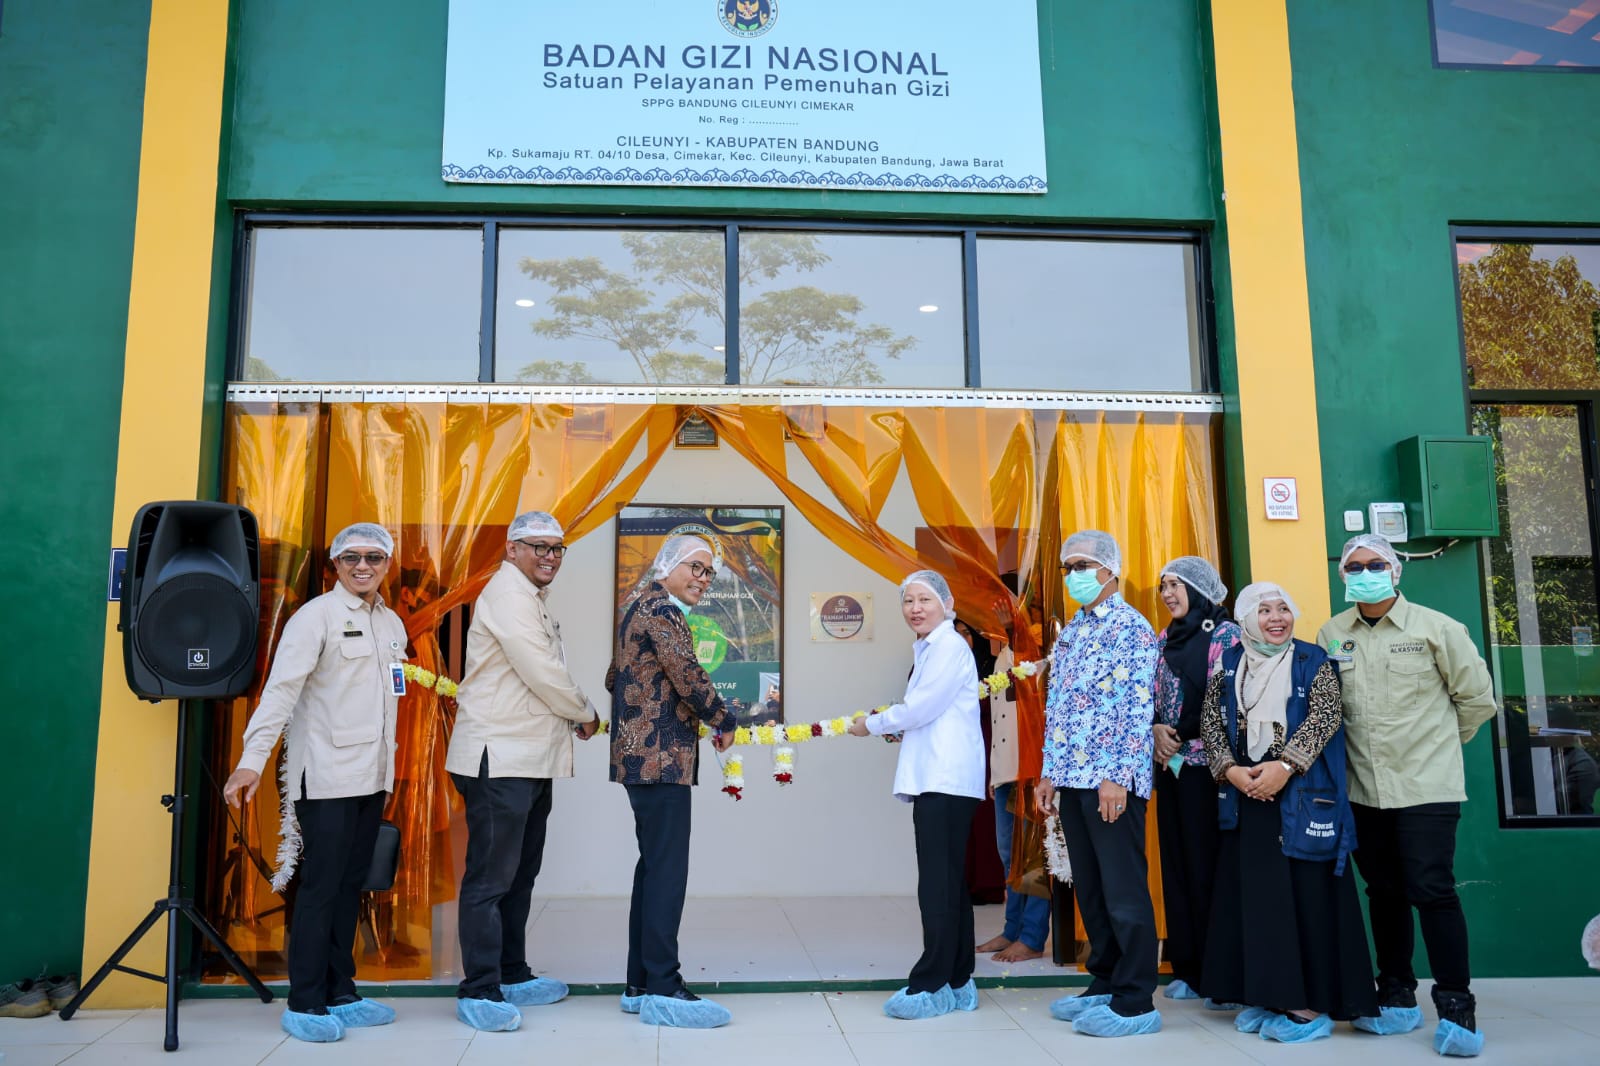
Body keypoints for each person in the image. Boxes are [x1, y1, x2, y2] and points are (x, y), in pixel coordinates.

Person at [222, 523, 408, 1043]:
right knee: (320, 889)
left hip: (372, 777)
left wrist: (389, 772)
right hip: (326, 776)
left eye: (374, 557)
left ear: (387, 564)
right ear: (335, 565)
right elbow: (280, 693)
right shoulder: (314, 618)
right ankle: (305, 1001)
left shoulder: (392, 622)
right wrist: (252, 760)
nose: (363, 566)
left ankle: (341, 992)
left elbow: (391, 698)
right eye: (352, 558)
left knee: (351, 887)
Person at [1317, 534, 1497, 1057]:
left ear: (1396, 572)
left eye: (1375, 564)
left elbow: (1477, 700)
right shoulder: (1332, 634)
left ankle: (1457, 1006)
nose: (1364, 573)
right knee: (1383, 892)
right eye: (1354, 566)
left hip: (1425, 786)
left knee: (1432, 890)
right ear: (1343, 576)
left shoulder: (1438, 629)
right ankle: (1396, 994)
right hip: (1362, 789)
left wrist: (1434, 746)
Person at [1198, 581, 1377, 1042]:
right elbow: (1211, 721)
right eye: (1264, 610)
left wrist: (1284, 767)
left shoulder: (1312, 660)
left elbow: (1325, 716)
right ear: (1246, 619)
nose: (1276, 618)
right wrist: (1230, 771)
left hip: (1300, 797)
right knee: (1262, 901)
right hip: (1248, 796)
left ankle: (1310, 1003)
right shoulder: (1229, 662)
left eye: (1283, 609)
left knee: (1306, 898)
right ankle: (1273, 995)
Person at [444, 511, 600, 1032]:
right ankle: (480, 989)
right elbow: (542, 671)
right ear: (511, 549)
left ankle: (511, 973)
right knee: (491, 879)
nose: (550, 556)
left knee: (519, 875)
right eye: (539, 546)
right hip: (500, 759)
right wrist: (584, 711)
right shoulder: (508, 595)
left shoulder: (530, 597)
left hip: (529, 758)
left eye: (557, 548)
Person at [606, 534, 740, 1028]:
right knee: (666, 874)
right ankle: (664, 986)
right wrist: (723, 718)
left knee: (653, 870)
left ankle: (639, 984)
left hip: (639, 759)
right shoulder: (664, 610)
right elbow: (687, 674)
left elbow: (614, 676)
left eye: (709, 572)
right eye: (695, 568)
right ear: (668, 565)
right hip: (660, 758)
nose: (703, 579)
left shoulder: (637, 607)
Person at [1035, 530, 1162, 1038]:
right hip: (1072, 778)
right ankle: (1105, 981)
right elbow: (1060, 705)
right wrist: (1050, 771)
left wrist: (1116, 776)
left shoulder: (1132, 628)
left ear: (1110, 569)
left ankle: (1136, 999)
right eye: (1068, 568)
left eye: (1083, 566)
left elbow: (1137, 708)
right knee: (1090, 887)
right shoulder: (1073, 630)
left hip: (1112, 781)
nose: (1074, 576)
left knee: (1123, 889)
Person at [847, 571, 987, 1019]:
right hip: (940, 778)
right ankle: (958, 980)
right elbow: (928, 713)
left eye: (924, 599)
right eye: (908, 601)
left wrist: (872, 724)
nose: (915, 608)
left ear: (947, 603)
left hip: (944, 779)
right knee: (948, 882)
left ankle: (931, 982)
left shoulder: (947, 647)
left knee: (938, 885)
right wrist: (893, 724)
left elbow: (921, 708)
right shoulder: (932, 648)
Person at [1151, 556, 1240, 1003]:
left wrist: (1180, 734)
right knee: (1177, 866)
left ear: (1200, 589)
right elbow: (1150, 696)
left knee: (1208, 868)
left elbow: (1226, 701)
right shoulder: (1164, 637)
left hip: (1209, 769)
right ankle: (1187, 967)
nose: (1168, 594)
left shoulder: (1226, 635)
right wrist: (1155, 730)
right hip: (1170, 767)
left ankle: (1219, 972)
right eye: (1163, 587)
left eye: (1176, 585)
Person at [973, 616, 1048, 962]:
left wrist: (1016, 634)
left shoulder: (1030, 648)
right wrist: (995, 774)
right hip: (1006, 771)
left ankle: (1032, 937)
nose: (983, 631)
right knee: (1008, 854)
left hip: (1030, 769)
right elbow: (1000, 720)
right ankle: (1012, 928)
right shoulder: (1001, 656)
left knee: (1031, 855)